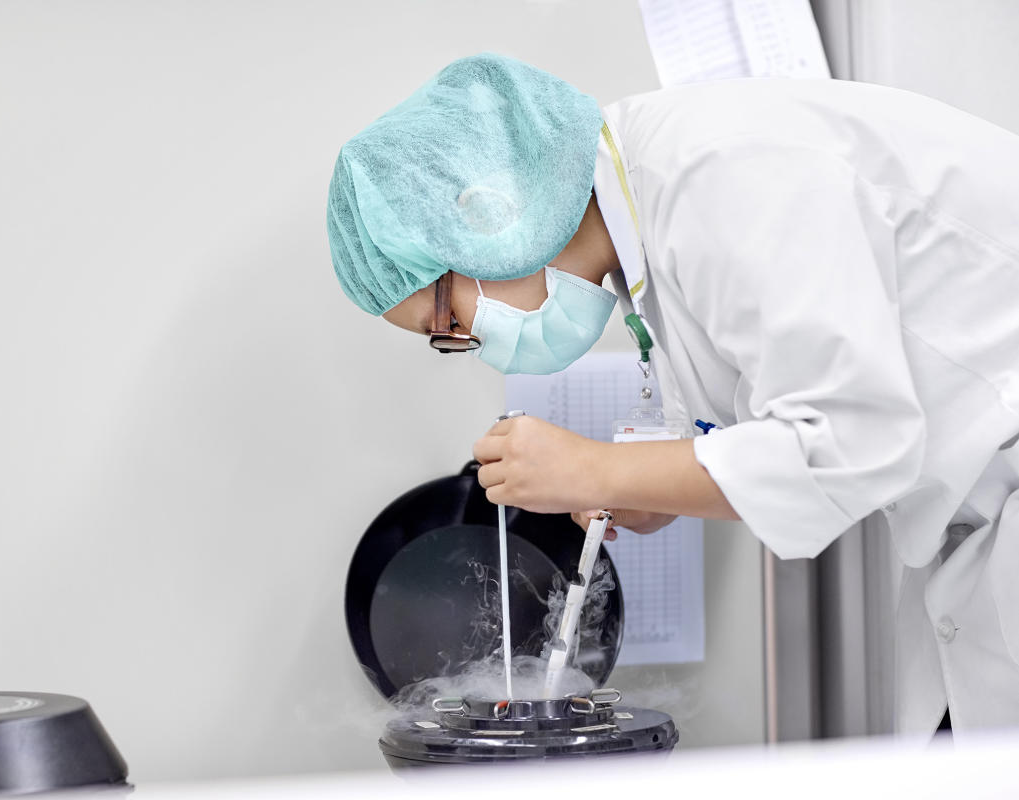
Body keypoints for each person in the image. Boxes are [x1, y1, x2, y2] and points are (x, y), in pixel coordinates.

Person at [325, 52, 1019, 736]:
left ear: (483, 214)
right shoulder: (649, 214)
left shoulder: (720, 175)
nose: (464, 342)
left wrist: (598, 469)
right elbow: (827, 425)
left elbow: (853, 443)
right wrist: (656, 483)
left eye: (446, 320)